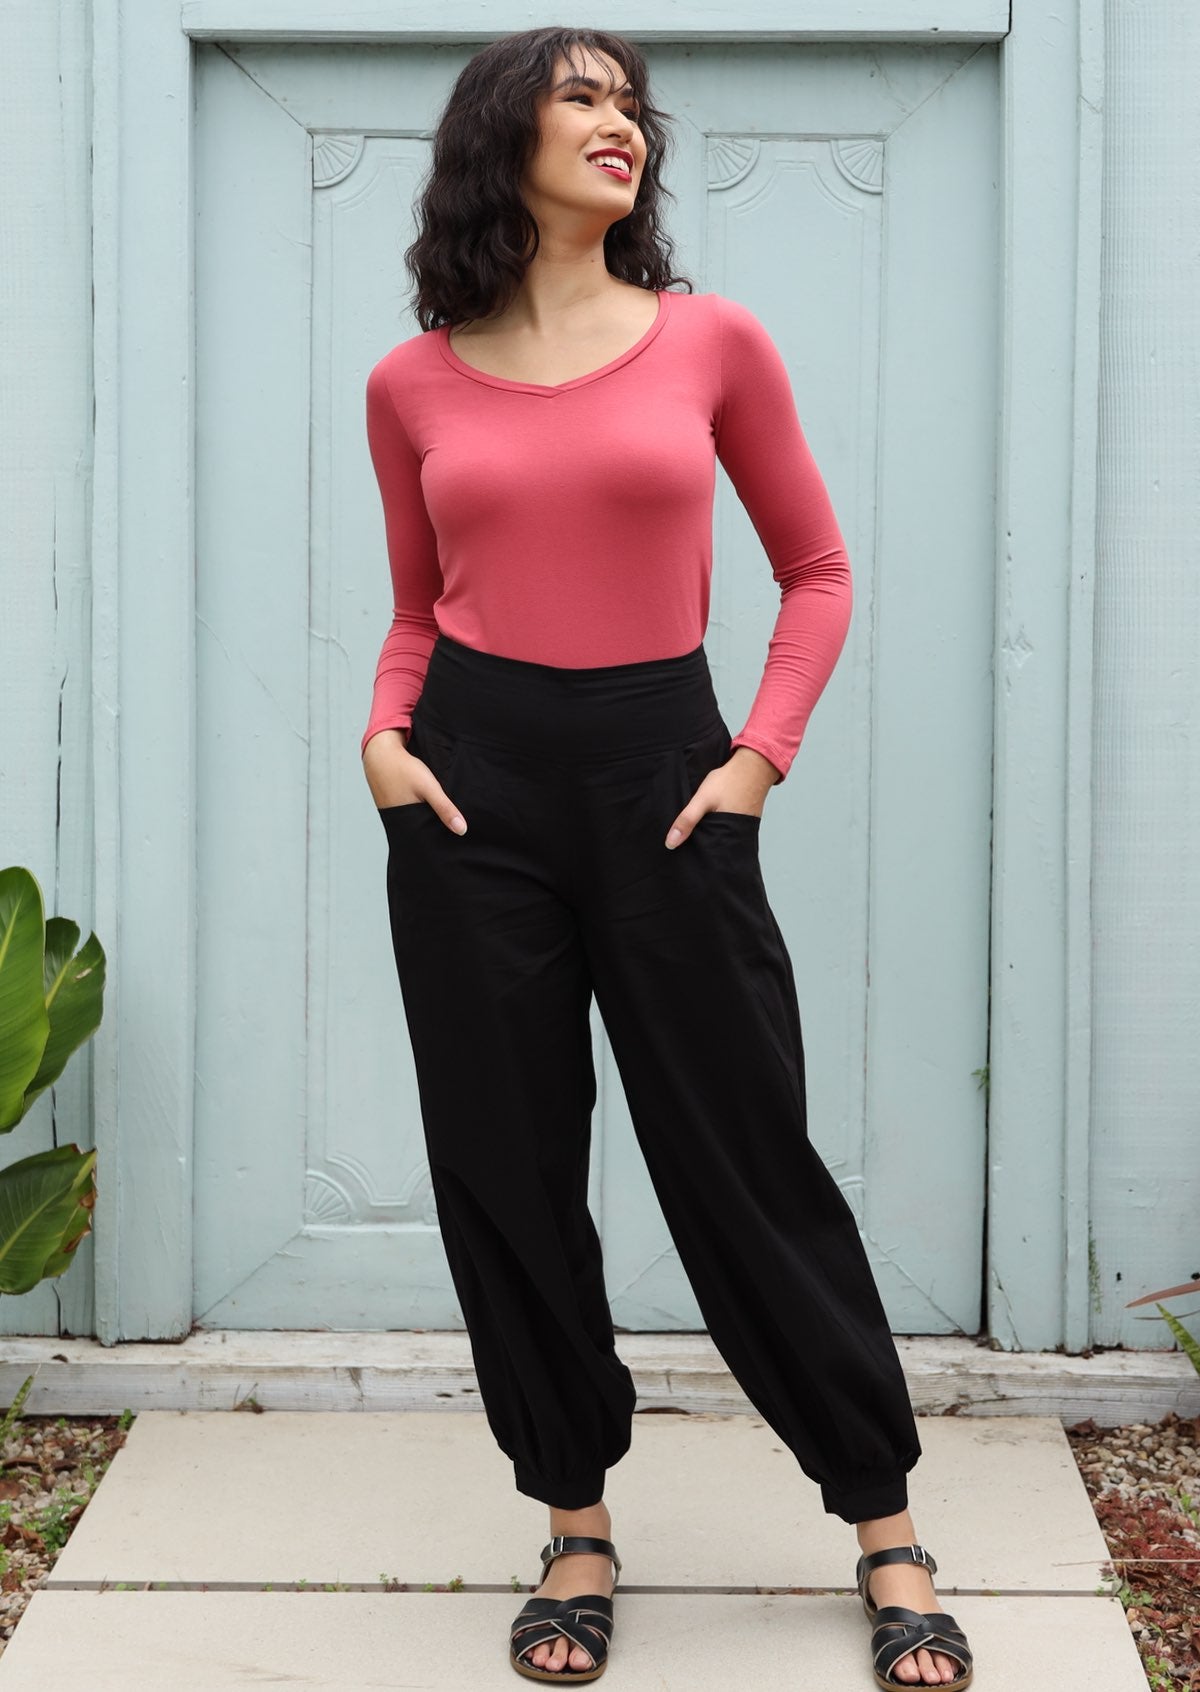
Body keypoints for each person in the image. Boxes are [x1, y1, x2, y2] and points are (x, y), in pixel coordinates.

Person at [359, 25, 974, 1691]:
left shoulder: (711, 344)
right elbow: (418, 607)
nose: (619, 122)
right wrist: (385, 739)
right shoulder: (414, 377)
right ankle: (574, 1517)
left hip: (665, 778)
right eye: (580, 94)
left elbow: (817, 567)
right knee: (508, 1160)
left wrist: (756, 758)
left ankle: (884, 1519)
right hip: (471, 791)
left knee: (741, 1151)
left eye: (631, 102)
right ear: (505, 135)